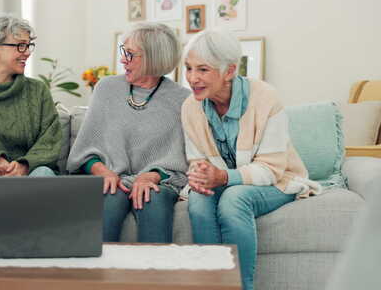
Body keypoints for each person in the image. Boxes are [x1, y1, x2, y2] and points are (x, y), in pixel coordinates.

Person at [181, 28, 322, 290]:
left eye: (202, 70)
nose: (192, 78)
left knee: (234, 199)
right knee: (199, 200)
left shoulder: (266, 97)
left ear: (230, 71)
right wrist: (199, 173)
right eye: (188, 68)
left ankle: (241, 286)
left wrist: (223, 177)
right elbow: (196, 159)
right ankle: (209, 285)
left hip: (278, 179)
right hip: (225, 181)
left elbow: (271, 169)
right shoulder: (190, 106)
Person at [67, 22, 190, 243]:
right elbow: (85, 151)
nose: (123, 59)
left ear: (153, 57)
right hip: (109, 179)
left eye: (130, 54)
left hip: (156, 183)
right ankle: (97, 274)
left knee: (153, 198)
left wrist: (152, 175)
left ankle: (151, 275)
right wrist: (103, 171)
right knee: (110, 195)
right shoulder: (106, 88)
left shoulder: (182, 100)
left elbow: (181, 162)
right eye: (123, 52)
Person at [0, 15, 61, 177]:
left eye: (29, 46)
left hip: (32, 172)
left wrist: (24, 165)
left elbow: (50, 140)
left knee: (43, 173)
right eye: (21, 46)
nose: (28, 52)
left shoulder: (38, 91)